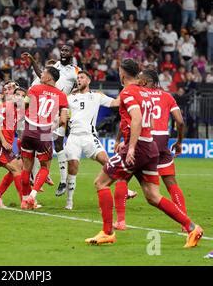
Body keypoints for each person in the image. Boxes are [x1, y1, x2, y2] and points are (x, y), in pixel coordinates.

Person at [85, 59, 203, 247]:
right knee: (153, 196)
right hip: (151, 148)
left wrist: (130, 147)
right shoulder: (144, 93)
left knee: (101, 183)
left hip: (138, 146)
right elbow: (126, 110)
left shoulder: (129, 91)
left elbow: (137, 119)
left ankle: (107, 232)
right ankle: (192, 228)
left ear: (123, 74)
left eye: (119, 71)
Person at [111, 69, 186, 230]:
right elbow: (180, 121)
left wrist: (120, 140)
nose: (137, 80)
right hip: (162, 140)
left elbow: (128, 119)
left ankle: (121, 221)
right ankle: (184, 220)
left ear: (145, 81)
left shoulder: (138, 93)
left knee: (122, 178)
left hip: (144, 139)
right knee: (171, 183)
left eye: (139, 78)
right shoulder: (167, 96)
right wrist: (179, 142)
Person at [59, 71, 136, 210]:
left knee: (108, 162)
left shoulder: (96, 96)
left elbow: (116, 103)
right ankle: (69, 202)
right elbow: (60, 107)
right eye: (77, 78)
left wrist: (127, 87)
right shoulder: (70, 98)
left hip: (90, 136)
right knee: (73, 166)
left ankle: (125, 190)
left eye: (82, 77)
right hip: (74, 136)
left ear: (88, 81)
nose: (79, 80)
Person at [23, 45, 81, 193]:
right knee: (44, 141)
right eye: (62, 50)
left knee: (58, 142)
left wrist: (75, 92)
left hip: (62, 107)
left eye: (67, 50)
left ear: (72, 54)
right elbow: (42, 75)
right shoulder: (55, 66)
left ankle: (61, 180)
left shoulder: (75, 70)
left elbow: (83, 81)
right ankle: (40, 175)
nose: (63, 52)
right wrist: (33, 61)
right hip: (50, 108)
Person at [20, 66, 68, 210]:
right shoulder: (62, 95)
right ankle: (32, 197)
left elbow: (23, 106)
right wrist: (50, 128)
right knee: (45, 167)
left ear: (50, 78)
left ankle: (24, 201)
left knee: (26, 168)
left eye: (44, 72)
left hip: (28, 131)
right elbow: (64, 120)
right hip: (44, 132)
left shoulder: (34, 89)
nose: (41, 74)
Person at [0, 83, 26, 208]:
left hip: (4, 144)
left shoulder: (17, 111)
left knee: (18, 166)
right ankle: (24, 201)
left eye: (22, 96)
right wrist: (3, 141)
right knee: (16, 169)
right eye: (17, 95)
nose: (19, 97)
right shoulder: (5, 106)